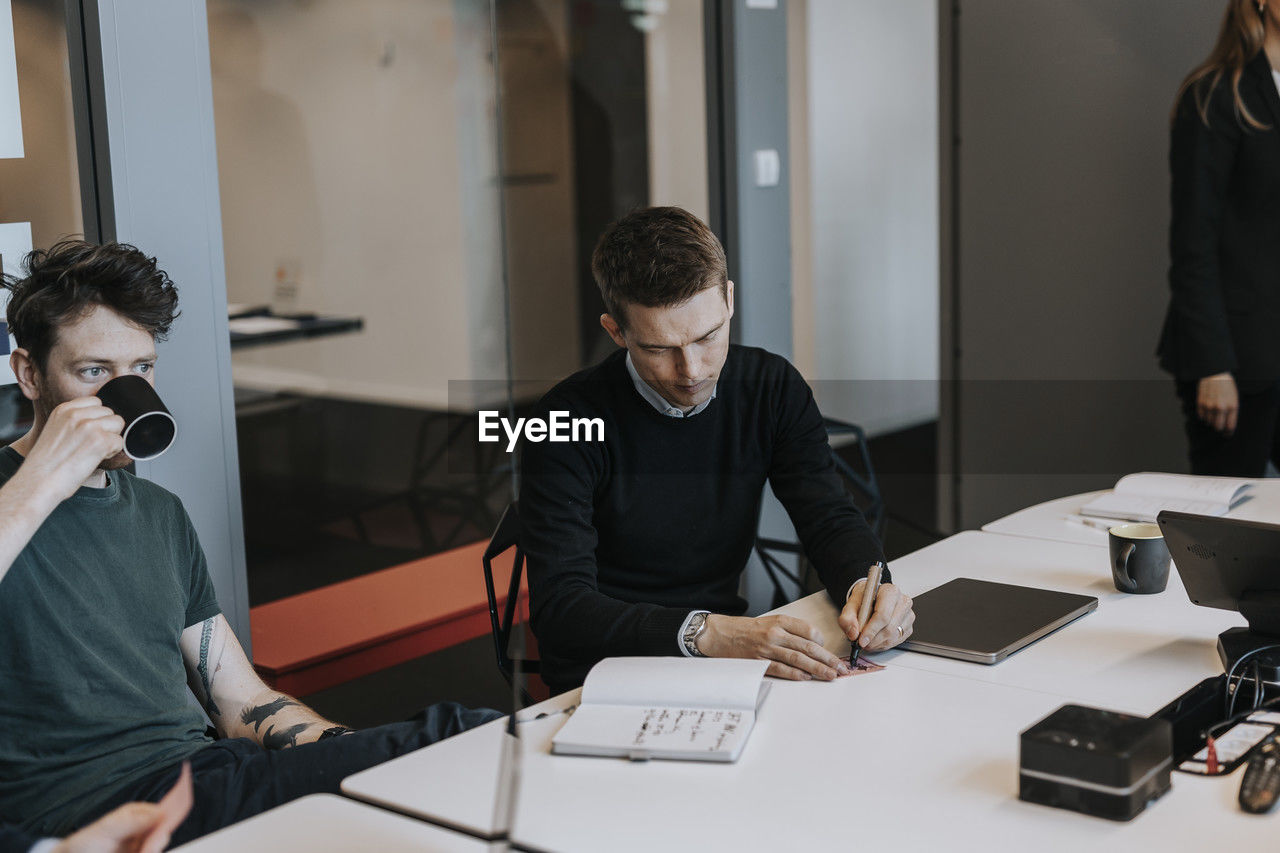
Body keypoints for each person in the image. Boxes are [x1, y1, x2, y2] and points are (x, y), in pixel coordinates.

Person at [0, 241, 499, 845]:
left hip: (209, 780)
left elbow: (239, 701)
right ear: (29, 373)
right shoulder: (12, 500)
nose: (125, 390)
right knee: (459, 731)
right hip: (92, 810)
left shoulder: (159, 514)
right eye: (94, 372)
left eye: (142, 369)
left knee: (458, 754)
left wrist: (347, 754)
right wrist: (44, 480)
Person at [520, 207, 915, 692]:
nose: (691, 371)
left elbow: (828, 516)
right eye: (659, 349)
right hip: (603, 673)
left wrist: (868, 588)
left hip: (725, 658)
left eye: (708, 337)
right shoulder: (561, 421)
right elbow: (563, 608)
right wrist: (708, 631)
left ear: (729, 300)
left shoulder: (771, 387)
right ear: (616, 332)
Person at [1158, 0, 1280, 476]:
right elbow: (1193, 245)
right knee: (1234, 535)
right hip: (1237, 361)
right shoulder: (1215, 94)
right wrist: (1213, 366)